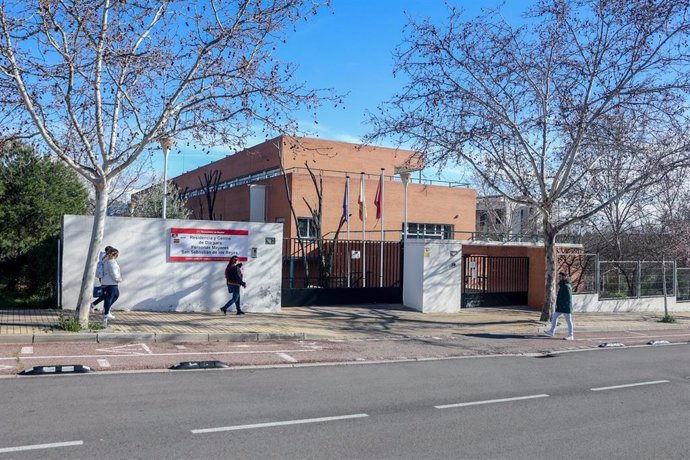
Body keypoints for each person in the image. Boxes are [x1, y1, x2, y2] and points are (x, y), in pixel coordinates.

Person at [545, 272, 574, 340]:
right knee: (555, 316)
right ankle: (552, 331)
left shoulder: (566, 286)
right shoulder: (563, 285)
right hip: (561, 306)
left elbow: (568, 298)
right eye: (559, 277)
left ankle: (571, 335)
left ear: (564, 277)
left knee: (569, 320)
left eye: (560, 277)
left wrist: (564, 306)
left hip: (565, 307)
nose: (559, 278)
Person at [101, 248, 122, 324]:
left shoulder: (105, 260)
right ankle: (105, 317)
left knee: (115, 295)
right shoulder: (111, 262)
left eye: (117, 254)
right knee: (109, 299)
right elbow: (114, 273)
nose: (116, 255)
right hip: (112, 283)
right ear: (110, 254)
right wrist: (119, 280)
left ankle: (106, 310)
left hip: (107, 282)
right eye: (115, 254)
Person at [91, 246, 114, 311]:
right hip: (107, 280)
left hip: (104, 279)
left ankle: (98, 306)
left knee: (107, 294)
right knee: (110, 294)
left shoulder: (103, 257)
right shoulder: (107, 258)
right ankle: (105, 309)